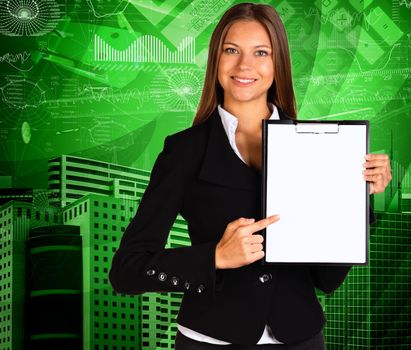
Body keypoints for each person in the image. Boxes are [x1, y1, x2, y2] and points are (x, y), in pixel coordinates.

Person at [109, 3, 392, 349]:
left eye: (261, 52)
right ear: (216, 59)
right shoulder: (183, 152)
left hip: (300, 339)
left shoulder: (320, 148)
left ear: (278, 64)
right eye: (232, 50)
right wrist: (214, 257)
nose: (245, 65)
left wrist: (358, 196)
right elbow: (127, 270)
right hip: (209, 340)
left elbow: (327, 278)